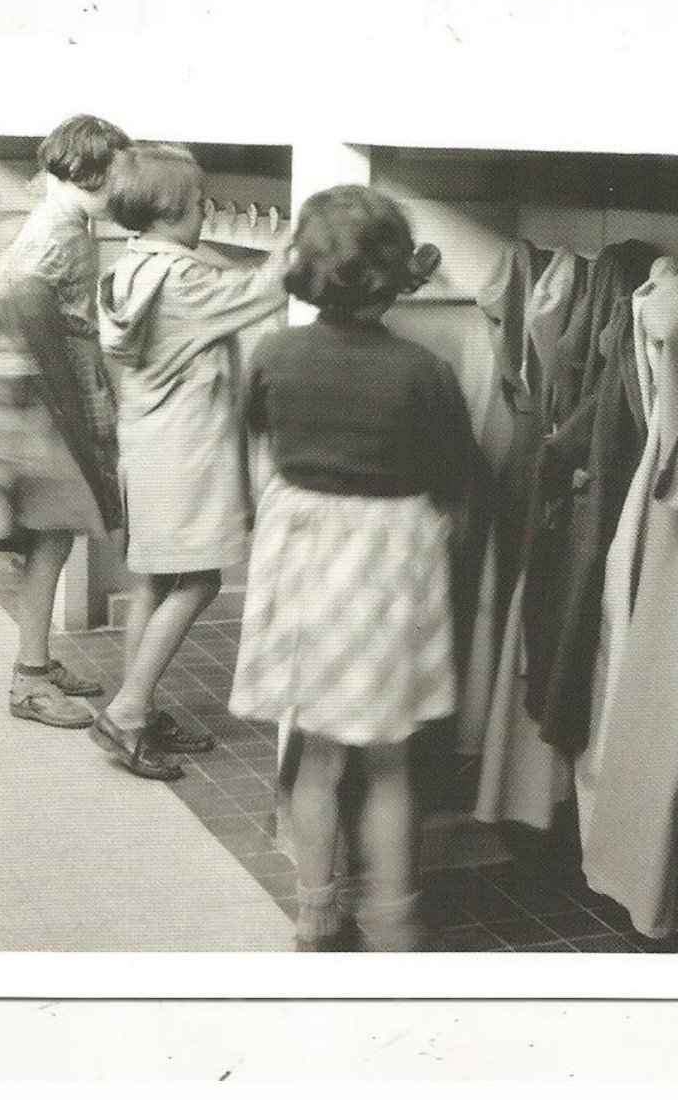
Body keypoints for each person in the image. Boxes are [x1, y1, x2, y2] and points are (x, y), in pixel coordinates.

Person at [228, 185, 473, 950]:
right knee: (393, 761)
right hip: (386, 569)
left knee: (318, 756)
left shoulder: (273, 353)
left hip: (302, 560)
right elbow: (457, 486)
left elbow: (258, 452)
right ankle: (392, 918)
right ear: (398, 273)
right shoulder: (422, 371)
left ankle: (315, 906)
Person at [93, 143, 289, 780]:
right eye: (200, 201)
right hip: (188, 455)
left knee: (153, 581)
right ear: (173, 210)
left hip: (148, 448)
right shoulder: (184, 281)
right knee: (201, 580)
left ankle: (138, 707)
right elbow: (264, 293)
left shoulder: (130, 271)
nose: (206, 210)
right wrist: (298, 242)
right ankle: (126, 713)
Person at [0, 114, 130, 730]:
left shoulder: (54, 215)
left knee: (50, 533)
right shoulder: (62, 230)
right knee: (53, 530)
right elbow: (26, 301)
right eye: (120, 175)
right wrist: (75, 405)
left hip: (28, 391)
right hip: (45, 397)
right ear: (93, 172)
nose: (126, 189)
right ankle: (29, 680)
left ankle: (35, 662)